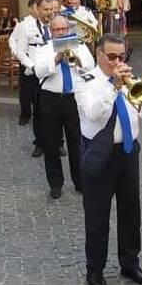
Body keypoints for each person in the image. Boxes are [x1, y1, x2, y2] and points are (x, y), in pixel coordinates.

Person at [75, 34, 142, 285]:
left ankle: (130, 263)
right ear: (98, 54)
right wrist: (113, 86)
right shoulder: (86, 81)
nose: (117, 62)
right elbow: (92, 113)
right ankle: (95, 269)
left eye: (121, 56)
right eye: (111, 56)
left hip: (127, 152)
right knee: (97, 215)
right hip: (100, 154)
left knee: (130, 211)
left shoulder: (129, 80)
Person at [33, 15, 95, 198]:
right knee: (51, 143)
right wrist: (57, 57)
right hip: (50, 98)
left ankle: (80, 181)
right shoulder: (43, 48)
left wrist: (76, 60)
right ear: (51, 31)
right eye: (56, 30)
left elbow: (90, 69)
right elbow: (39, 71)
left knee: (77, 142)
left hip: (73, 98)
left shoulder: (80, 46)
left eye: (63, 29)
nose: (60, 32)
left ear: (69, 29)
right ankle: (55, 184)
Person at [13, 0, 55, 157]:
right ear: (37, 9)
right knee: (39, 110)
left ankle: (57, 142)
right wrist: (31, 65)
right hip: (34, 72)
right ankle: (40, 143)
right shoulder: (25, 26)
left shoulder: (57, 24)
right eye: (46, 9)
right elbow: (19, 50)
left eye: (51, 9)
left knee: (55, 109)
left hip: (53, 72)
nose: (50, 13)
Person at [10, 0, 40, 127]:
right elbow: (12, 38)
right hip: (26, 56)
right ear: (30, 8)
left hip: (39, 57)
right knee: (26, 88)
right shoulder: (23, 23)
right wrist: (15, 51)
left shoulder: (45, 22)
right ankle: (25, 113)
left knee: (39, 86)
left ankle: (39, 112)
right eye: (35, 7)